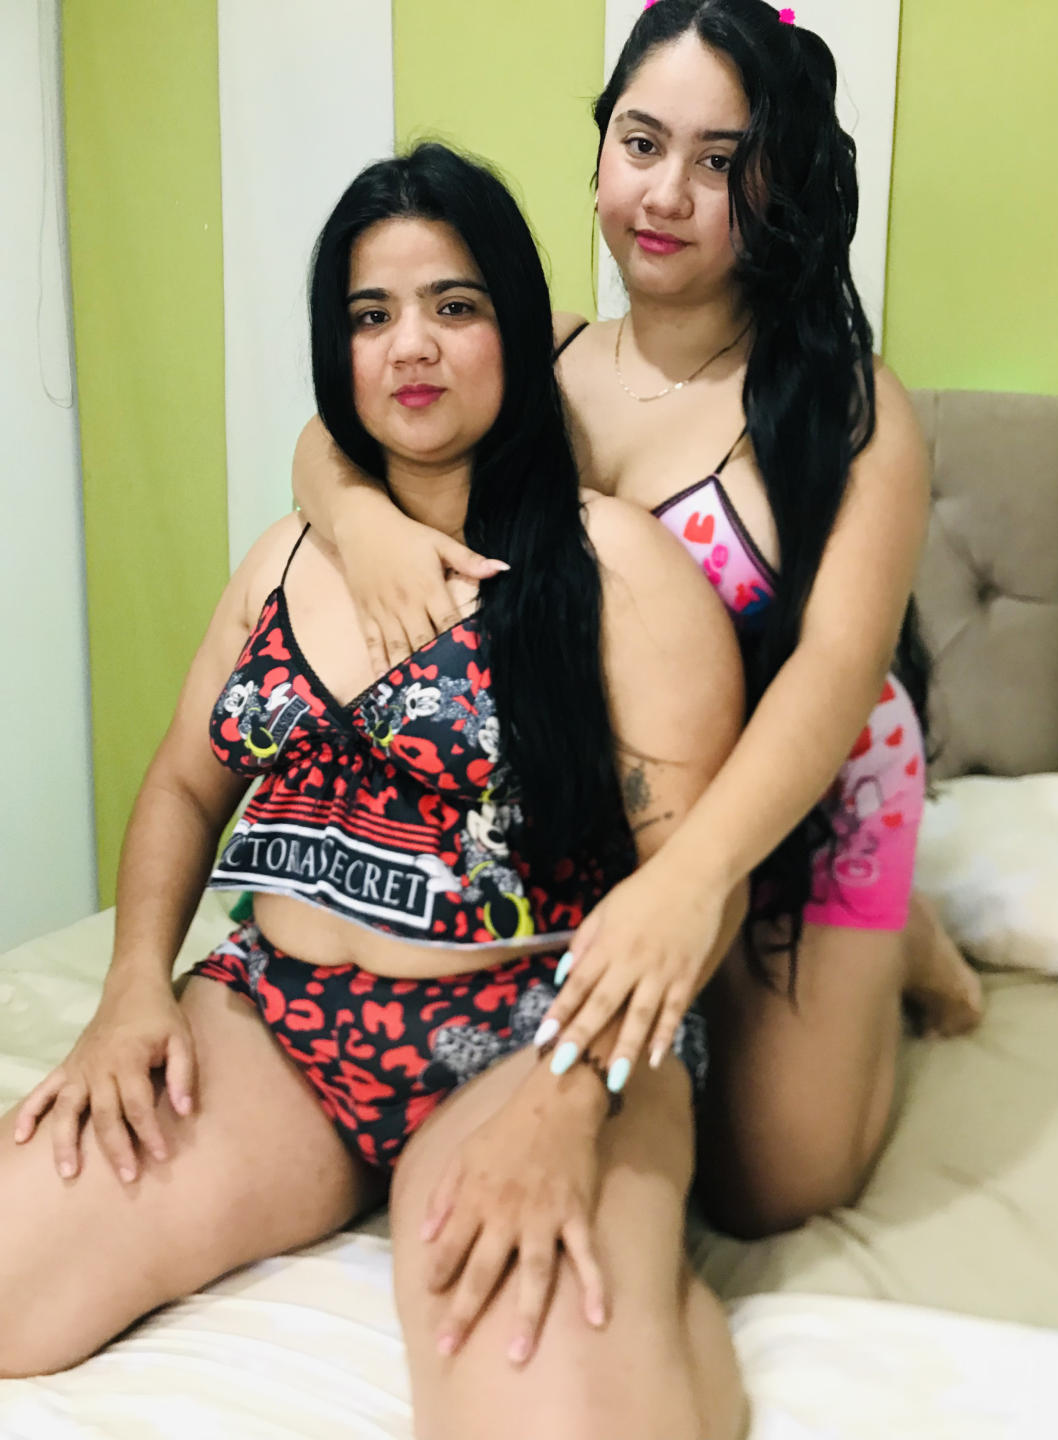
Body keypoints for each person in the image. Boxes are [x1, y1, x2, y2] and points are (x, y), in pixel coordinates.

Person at [0, 143, 751, 1439]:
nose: (411, 345)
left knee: (545, 1401)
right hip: (275, 1027)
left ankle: (665, 1306)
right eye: (370, 315)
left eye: (454, 306)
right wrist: (131, 989)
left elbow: (701, 883)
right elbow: (182, 785)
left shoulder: (616, 571)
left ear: (515, 329)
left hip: (535, 1033)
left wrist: (571, 1096)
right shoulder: (284, 557)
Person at [291, 0, 982, 1240]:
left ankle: (897, 941)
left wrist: (697, 882)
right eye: (643, 143)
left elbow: (835, 668)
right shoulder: (543, 358)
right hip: (629, 789)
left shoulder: (845, 408)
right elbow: (333, 431)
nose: (666, 193)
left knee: (774, 1190)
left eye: (721, 162)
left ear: (782, 182)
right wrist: (360, 522)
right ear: (603, 148)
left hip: (804, 785)